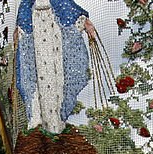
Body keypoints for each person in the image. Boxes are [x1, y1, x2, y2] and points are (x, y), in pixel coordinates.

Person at [15, 0, 95, 134]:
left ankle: (56, 125)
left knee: (56, 77)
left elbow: (65, 6)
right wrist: (19, 29)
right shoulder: (27, 5)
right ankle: (38, 122)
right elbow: (24, 10)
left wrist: (83, 20)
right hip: (35, 30)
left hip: (53, 28)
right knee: (37, 78)